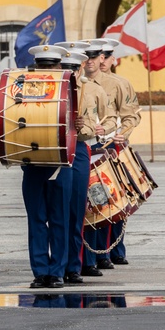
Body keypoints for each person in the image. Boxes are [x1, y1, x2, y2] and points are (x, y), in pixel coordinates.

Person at [19, 45, 73, 289]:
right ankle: (40, 272)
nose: (47, 71)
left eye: (51, 67)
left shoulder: (71, 89)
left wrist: (80, 125)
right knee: (36, 220)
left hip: (60, 163)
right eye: (42, 66)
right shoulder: (22, 90)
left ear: (59, 67)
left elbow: (84, 124)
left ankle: (57, 271)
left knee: (59, 220)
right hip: (33, 163)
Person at [60, 47, 114, 285]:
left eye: (74, 67)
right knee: (57, 212)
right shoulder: (53, 89)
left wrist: (101, 128)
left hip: (81, 147)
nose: (70, 72)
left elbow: (110, 118)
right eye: (65, 68)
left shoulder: (92, 89)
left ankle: (74, 265)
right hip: (56, 149)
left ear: (81, 67)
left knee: (77, 211)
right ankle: (57, 264)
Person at [96, 38, 141, 266]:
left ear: (113, 59)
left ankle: (116, 249)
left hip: (113, 144)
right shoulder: (82, 81)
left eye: (106, 56)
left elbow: (132, 115)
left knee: (116, 200)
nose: (102, 61)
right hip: (91, 143)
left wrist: (123, 133)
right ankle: (99, 252)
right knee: (96, 201)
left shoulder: (120, 83)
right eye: (99, 56)